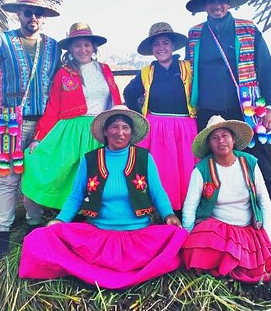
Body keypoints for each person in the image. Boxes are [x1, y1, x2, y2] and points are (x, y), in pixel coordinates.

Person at [185, 0, 271, 257]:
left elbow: (264, 68)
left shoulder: (247, 29)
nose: (217, 6)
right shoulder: (195, 35)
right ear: (205, 5)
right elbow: (188, 73)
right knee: (212, 168)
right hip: (208, 113)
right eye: (211, 1)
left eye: (221, 1)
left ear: (229, 3)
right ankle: (215, 222)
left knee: (260, 165)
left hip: (247, 110)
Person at [19, 106, 188, 289]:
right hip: (98, 238)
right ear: (106, 131)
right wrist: (61, 220)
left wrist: (169, 215)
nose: (120, 132)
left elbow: (158, 192)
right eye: (115, 127)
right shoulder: (90, 159)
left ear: (131, 133)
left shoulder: (143, 157)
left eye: (125, 128)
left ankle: (100, 274)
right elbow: (76, 196)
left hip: (138, 238)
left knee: (178, 236)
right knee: (38, 239)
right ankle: (112, 274)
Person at [0, 0, 61, 259]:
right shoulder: (0, 41)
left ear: (44, 17)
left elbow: (60, 85)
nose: (33, 18)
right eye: (28, 12)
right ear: (18, 14)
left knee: (35, 174)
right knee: (8, 179)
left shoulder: (53, 46)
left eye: (38, 13)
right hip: (8, 121)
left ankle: (34, 224)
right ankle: (2, 232)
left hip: (44, 125)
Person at [181, 116, 271, 283]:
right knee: (199, 251)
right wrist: (188, 238)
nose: (221, 141)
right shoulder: (202, 169)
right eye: (215, 138)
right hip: (217, 229)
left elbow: (264, 201)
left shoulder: (249, 162)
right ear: (209, 145)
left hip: (247, 230)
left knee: (255, 264)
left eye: (225, 136)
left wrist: (267, 236)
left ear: (233, 139)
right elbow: (190, 207)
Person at [21, 22, 121, 211]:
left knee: (100, 174)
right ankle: (67, 217)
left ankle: (99, 216)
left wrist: (121, 125)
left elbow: (116, 100)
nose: (82, 49)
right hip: (72, 132)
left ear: (93, 47)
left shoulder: (105, 69)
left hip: (101, 130)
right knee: (70, 173)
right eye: (77, 45)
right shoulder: (64, 74)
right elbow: (52, 108)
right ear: (71, 49)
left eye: (87, 45)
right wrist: (38, 138)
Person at [123, 22, 198, 211]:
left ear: (173, 46)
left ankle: (185, 209)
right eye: (156, 44)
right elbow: (129, 94)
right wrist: (140, 116)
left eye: (165, 43)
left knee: (186, 169)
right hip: (157, 129)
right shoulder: (147, 72)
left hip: (185, 127)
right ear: (151, 49)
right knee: (162, 170)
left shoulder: (187, 69)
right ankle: (160, 208)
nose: (161, 48)